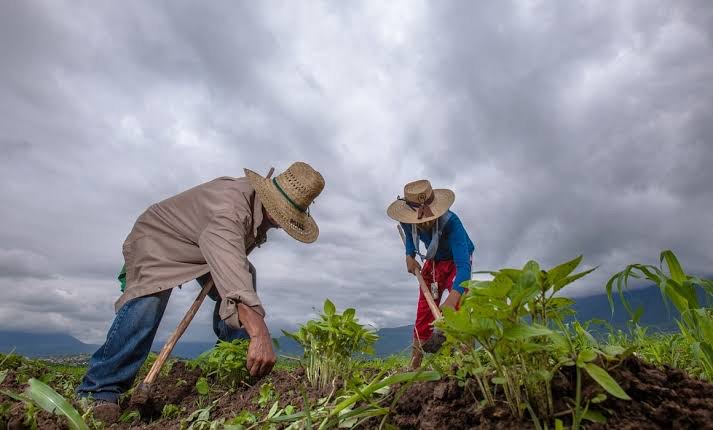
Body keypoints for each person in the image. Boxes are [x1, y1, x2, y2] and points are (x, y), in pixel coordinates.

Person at [76, 162, 324, 420]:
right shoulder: (231, 211)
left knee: (245, 277)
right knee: (149, 301)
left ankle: (235, 369)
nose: (284, 225)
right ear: (274, 208)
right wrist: (259, 333)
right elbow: (234, 277)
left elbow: (234, 268)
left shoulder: (255, 209)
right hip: (157, 239)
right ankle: (100, 390)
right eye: (284, 217)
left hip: (199, 244)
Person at [386, 179, 475, 369]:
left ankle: (469, 361)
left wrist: (452, 298)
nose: (423, 224)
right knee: (424, 307)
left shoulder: (452, 224)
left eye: (428, 220)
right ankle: (415, 362)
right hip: (434, 260)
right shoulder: (407, 219)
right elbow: (410, 236)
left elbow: (464, 268)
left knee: (461, 305)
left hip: (456, 261)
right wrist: (409, 254)